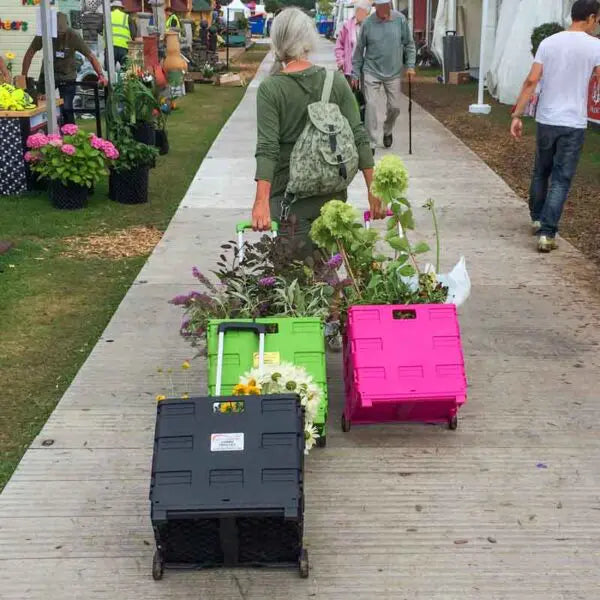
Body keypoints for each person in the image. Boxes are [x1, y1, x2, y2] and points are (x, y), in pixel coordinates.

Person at [252, 7, 383, 250]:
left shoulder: (271, 89)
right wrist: (373, 190)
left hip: (288, 202)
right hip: (332, 200)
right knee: (328, 274)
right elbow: (359, 136)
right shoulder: (335, 82)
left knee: (292, 280)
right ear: (308, 40)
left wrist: (260, 201)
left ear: (277, 40)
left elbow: (268, 149)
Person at [511, 0, 600, 253]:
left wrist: (517, 114)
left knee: (541, 171)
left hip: (547, 119)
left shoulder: (548, 43)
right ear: (591, 18)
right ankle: (547, 234)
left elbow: (531, 80)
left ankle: (537, 218)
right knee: (561, 178)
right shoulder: (596, 46)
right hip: (573, 122)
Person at [351, 0, 416, 150]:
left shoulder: (400, 20)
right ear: (376, 7)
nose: (385, 8)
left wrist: (411, 66)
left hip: (393, 71)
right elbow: (359, 50)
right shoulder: (368, 23)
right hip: (371, 70)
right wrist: (355, 73)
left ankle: (387, 130)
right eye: (382, 6)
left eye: (387, 5)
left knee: (394, 107)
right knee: (371, 106)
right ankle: (371, 142)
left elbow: (409, 44)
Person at [21, 12, 107, 125]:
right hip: (47, 74)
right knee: (39, 105)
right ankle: (43, 135)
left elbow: (90, 56)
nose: (59, 35)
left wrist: (100, 75)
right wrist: (23, 76)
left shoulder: (74, 35)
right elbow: (29, 53)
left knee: (67, 108)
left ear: (67, 27)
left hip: (68, 75)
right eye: (57, 32)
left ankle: (70, 134)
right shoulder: (43, 34)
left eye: (62, 33)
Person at [335, 0, 371, 121]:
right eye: (359, 11)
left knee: (368, 97)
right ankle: (351, 120)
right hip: (350, 68)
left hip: (367, 68)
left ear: (368, 12)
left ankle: (364, 120)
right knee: (351, 96)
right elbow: (339, 45)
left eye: (364, 12)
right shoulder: (347, 26)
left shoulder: (371, 26)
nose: (361, 14)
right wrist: (341, 61)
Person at [110, 0, 136, 68]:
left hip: (110, 47)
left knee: (108, 71)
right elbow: (133, 33)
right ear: (121, 8)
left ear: (112, 8)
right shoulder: (127, 17)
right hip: (123, 48)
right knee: (126, 71)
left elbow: (98, 28)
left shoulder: (107, 16)